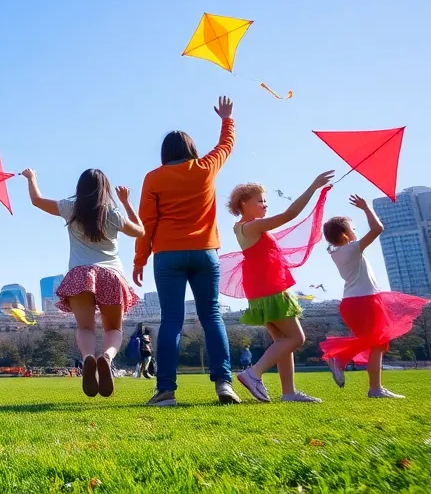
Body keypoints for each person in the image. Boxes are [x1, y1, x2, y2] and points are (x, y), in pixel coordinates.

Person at [133, 96, 239, 407]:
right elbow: (226, 145)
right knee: (212, 316)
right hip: (205, 252)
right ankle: (224, 385)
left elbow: (146, 223)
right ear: (192, 150)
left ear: (165, 153)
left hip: (167, 255)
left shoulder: (153, 178)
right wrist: (227, 118)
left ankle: (166, 390)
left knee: (171, 321)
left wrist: (140, 259)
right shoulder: (206, 168)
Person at [22, 168, 144, 398]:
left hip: (80, 275)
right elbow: (140, 231)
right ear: (105, 189)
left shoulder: (71, 209)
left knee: (85, 327)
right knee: (113, 329)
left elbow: (37, 201)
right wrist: (126, 203)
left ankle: (88, 357)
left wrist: (31, 178)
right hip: (110, 274)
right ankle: (106, 357)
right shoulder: (113, 213)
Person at [228, 171, 334, 403]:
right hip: (270, 289)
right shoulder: (251, 227)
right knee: (296, 338)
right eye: (260, 200)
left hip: (261, 289)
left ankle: (289, 393)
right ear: (244, 203)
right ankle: (253, 374)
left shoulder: (245, 227)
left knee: (283, 342)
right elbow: (290, 214)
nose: (265, 205)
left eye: (265, 200)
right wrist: (313, 186)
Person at [320, 195, 429, 399]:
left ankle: (349, 366)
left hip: (353, 303)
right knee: (377, 343)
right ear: (344, 234)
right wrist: (366, 208)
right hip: (365, 301)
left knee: (375, 343)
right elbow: (378, 229)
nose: (355, 232)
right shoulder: (352, 248)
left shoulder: (337, 253)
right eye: (352, 228)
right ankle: (369, 384)